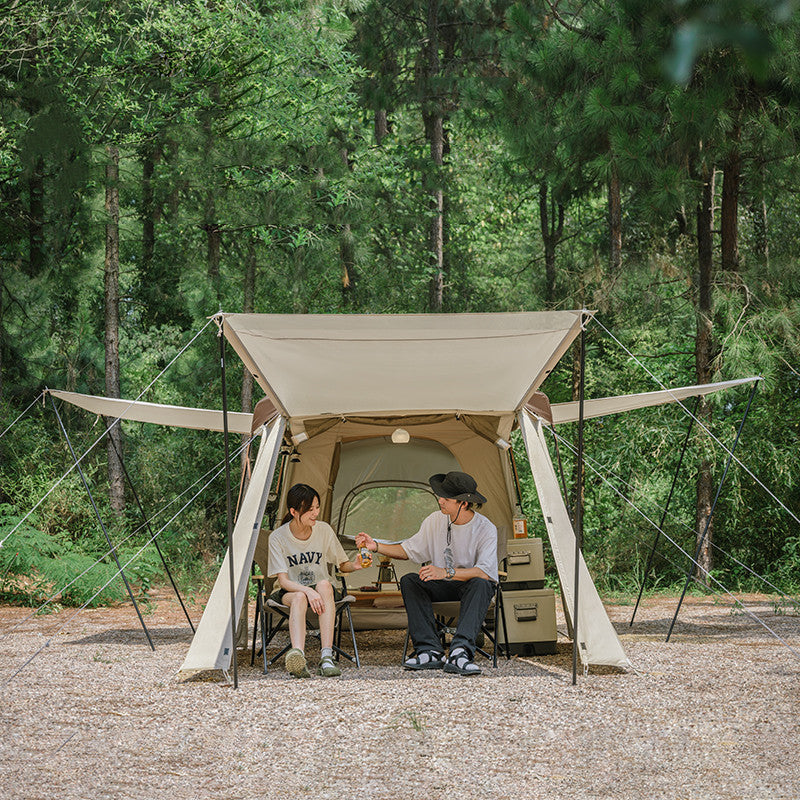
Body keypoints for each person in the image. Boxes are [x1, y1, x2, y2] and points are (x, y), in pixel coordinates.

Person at [356, 471, 497, 676]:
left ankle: (460, 652)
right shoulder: (434, 520)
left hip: (470, 587)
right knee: (411, 581)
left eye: (446, 498)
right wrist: (375, 546)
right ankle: (429, 649)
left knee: (482, 583)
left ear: (463, 503)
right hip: (442, 586)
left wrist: (445, 572)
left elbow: (484, 572)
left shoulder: (485, 528)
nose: (440, 501)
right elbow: (407, 550)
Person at [268, 483, 364, 678]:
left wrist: (354, 565)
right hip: (290, 591)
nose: (315, 513)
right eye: (309, 509)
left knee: (324, 583)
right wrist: (307, 591)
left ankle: (327, 657)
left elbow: (342, 564)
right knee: (299, 598)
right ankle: (298, 658)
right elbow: (284, 582)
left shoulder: (324, 530)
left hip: (322, 591)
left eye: (317, 507)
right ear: (294, 511)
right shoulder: (278, 537)